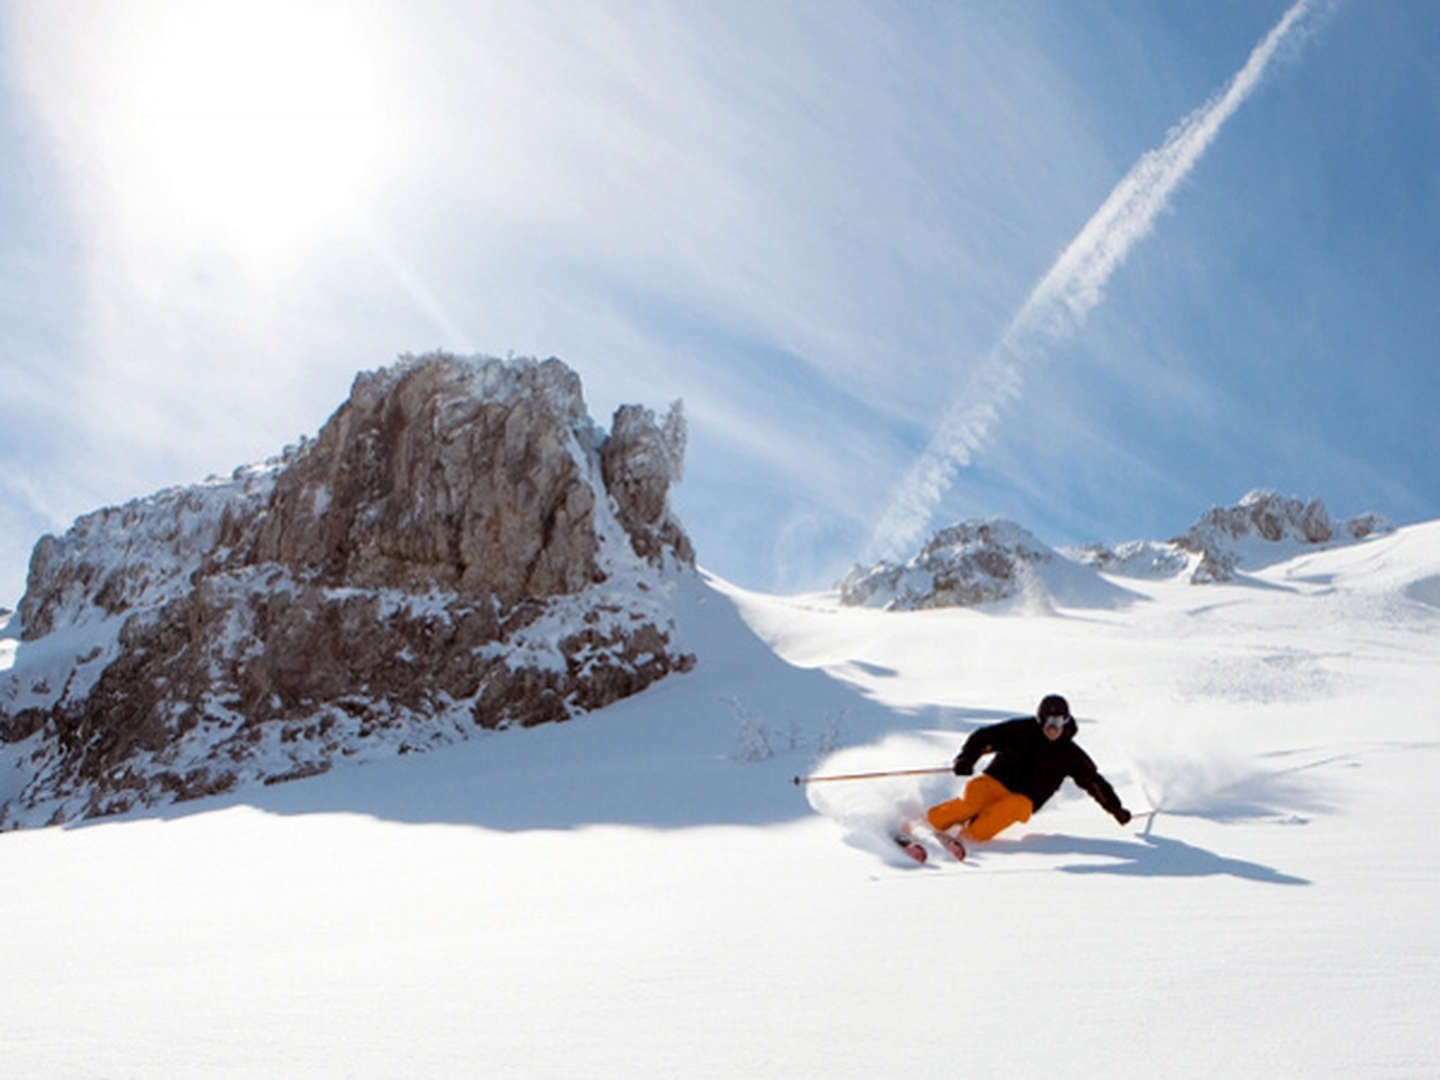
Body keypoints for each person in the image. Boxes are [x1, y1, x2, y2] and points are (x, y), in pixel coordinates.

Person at [924, 694, 1132, 848]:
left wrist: (1115, 809)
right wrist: (966, 759)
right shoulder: (1022, 730)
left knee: (1008, 809)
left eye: (1059, 721)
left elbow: (1093, 782)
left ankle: (968, 838)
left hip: (1025, 799)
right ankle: (931, 821)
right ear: (1040, 719)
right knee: (973, 800)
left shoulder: (1069, 753)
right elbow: (984, 737)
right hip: (995, 781)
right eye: (1049, 721)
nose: (1054, 728)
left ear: (1067, 721)